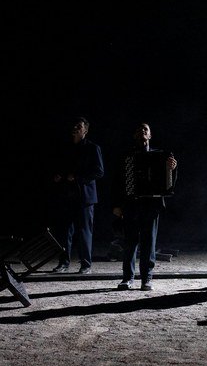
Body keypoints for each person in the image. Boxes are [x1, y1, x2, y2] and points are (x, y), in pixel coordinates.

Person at [111, 123, 177, 291]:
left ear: (150, 135)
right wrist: (117, 205)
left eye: (145, 129)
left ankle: (146, 279)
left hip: (151, 204)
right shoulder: (126, 156)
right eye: (139, 129)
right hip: (131, 203)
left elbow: (169, 185)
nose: (142, 131)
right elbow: (117, 182)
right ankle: (128, 278)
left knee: (149, 242)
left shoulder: (161, 155)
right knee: (130, 242)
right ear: (134, 135)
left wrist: (172, 169)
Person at [51, 117, 104, 274]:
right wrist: (59, 176)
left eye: (79, 126)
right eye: (74, 126)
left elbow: (99, 171)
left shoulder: (93, 148)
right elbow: (62, 168)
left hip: (85, 197)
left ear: (85, 131)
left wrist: (78, 178)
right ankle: (63, 263)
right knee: (65, 231)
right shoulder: (67, 148)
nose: (75, 128)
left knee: (84, 231)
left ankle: (86, 264)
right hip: (68, 195)